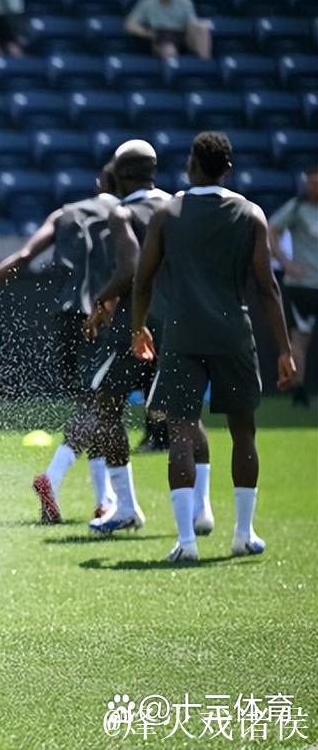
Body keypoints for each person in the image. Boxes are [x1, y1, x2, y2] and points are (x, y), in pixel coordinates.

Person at [130, 131, 294, 563]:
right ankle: (244, 534)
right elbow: (267, 288)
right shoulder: (251, 214)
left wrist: (138, 328)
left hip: (182, 335)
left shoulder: (167, 212)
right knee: (244, 433)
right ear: (228, 169)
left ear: (191, 164)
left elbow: (143, 279)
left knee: (181, 433)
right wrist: (284, 349)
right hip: (233, 335)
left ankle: (186, 542)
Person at [0, 167, 120, 523]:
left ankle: (105, 500)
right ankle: (54, 479)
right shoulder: (126, 213)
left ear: (100, 183)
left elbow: (26, 256)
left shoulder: (64, 214)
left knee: (92, 405)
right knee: (101, 407)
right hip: (102, 315)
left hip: (67, 316)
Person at [81, 141, 184, 536]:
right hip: (182, 322)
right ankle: (199, 512)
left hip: (137, 325)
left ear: (119, 176)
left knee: (106, 408)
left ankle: (125, 507)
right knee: (185, 416)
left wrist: (101, 301)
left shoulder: (122, 211)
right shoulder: (177, 206)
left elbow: (131, 268)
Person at [268, 166, 318, 408]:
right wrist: (285, 262)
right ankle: (298, 390)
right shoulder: (297, 208)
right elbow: (272, 228)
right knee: (300, 337)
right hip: (303, 285)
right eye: (311, 183)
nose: (314, 188)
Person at [124, 0, 212, 60]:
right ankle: (171, 66)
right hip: (161, 34)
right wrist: (147, 33)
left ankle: (204, 63)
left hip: (181, 34)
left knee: (202, 28)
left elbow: (191, 24)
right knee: (169, 50)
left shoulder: (185, 2)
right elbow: (130, 25)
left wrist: (198, 27)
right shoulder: (147, 2)